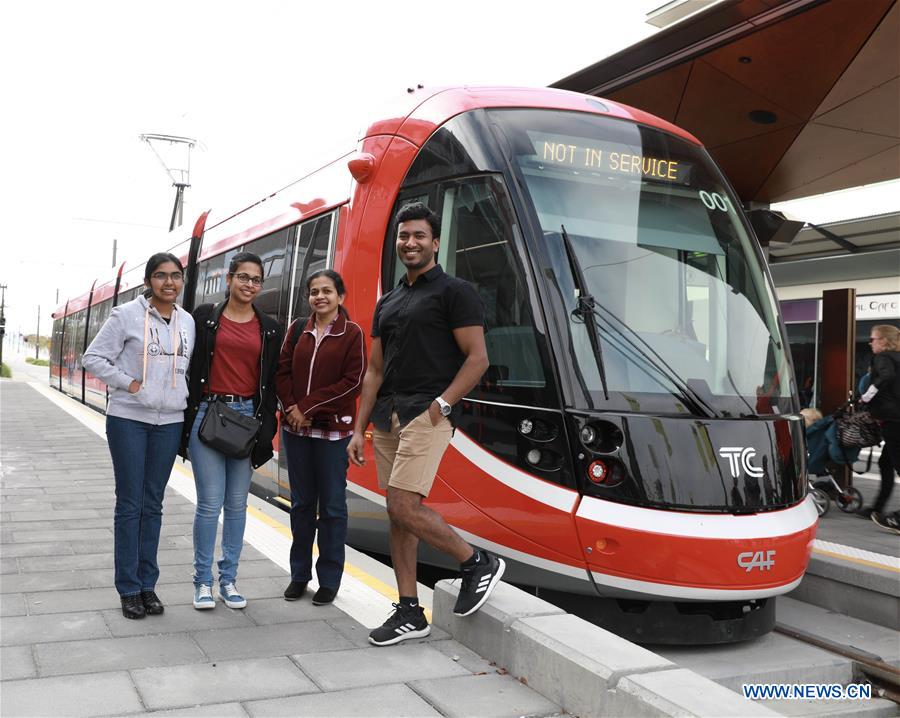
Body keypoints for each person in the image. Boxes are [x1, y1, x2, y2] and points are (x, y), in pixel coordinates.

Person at [347, 201, 504, 647]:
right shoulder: (390, 300)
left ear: (436, 243)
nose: (410, 243)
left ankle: (476, 562)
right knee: (398, 518)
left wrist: (442, 406)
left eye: (419, 236)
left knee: (402, 506)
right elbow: (374, 370)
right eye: (403, 236)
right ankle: (410, 610)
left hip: (426, 414)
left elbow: (478, 359)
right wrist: (360, 427)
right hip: (388, 416)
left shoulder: (456, 292)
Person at [83, 253, 195, 619]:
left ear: (182, 280)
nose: (169, 283)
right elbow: (94, 357)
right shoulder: (125, 315)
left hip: (170, 421)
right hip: (129, 419)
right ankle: (128, 588)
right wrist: (131, 384)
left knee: (154, 504)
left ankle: (148, 585)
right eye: (161, 276)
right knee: (130, 504)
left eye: (175, 276)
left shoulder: (188, 322)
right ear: (149, 281)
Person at [180, 252, 283, 610]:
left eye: (256, 280)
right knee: (210, 504)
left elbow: (270, 381)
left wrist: (267, 426)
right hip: (208, 415)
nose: (249, 285)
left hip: (245, 420)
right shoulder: (206, 317)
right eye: (243, 277)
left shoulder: (269, 327)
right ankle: (202, 582)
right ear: (229, 278)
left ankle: (229, 580)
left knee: (237, 505)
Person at [276, 270, 366, 605]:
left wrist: (308, 406)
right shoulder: (298, 329)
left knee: (331, 507)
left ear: (340, 296)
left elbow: (352, 381)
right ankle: (299, 575)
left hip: (332, 434)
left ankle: (329, 579)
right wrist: (292, 408)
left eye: (327, 291)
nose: (320, 297)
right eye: (314, 292)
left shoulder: (352, 333)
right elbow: (281, 372)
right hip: (296, 431)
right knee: (301, 505)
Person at [858, 324, 900, 527]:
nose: (870, 343)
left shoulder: (883, 358)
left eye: (873, 339)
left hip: (894, 420)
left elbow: (886, 376)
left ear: (883, 341)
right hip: (894, 419)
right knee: (885, 462)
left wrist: (866, 397)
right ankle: (877, 507)